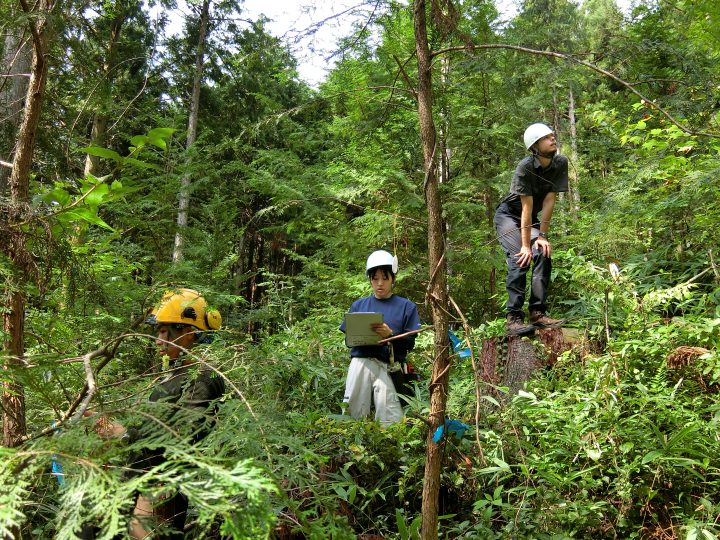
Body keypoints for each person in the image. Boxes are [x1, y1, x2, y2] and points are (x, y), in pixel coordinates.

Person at [83, 288, 225, 539]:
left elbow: (184, 438)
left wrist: (125, 435)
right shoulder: (177, 373)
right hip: (139, 479)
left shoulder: (203, 377)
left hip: (160, 490)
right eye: (158, 331)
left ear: (189, 333)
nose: (158, 339)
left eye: (163, 331)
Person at [494, 123, 568, 336]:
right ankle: (513, 319)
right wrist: (526, 245)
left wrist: (541, 236)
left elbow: (549, 201)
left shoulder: (560, 163)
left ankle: (537, 313)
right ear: (535, 146)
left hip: (529, 219)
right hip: (509, 215)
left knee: (543, 252)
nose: (553, 139)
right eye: (546, 137)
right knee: (521, 256)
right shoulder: (525, 167)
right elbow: (526, 207)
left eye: (552, 135)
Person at [340, 250, 421, 426]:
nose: (380, 283)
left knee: (390, 415)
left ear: (393, 278)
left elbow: (410, 343)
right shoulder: (359, 305)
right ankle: (352, 448)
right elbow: (348, 336)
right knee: (352, 409)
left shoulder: (406, 307)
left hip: (388, 365)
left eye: (385, 278)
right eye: (375, 278)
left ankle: (392, 449)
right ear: (370, 279)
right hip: (360, 362)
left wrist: (390, 335)